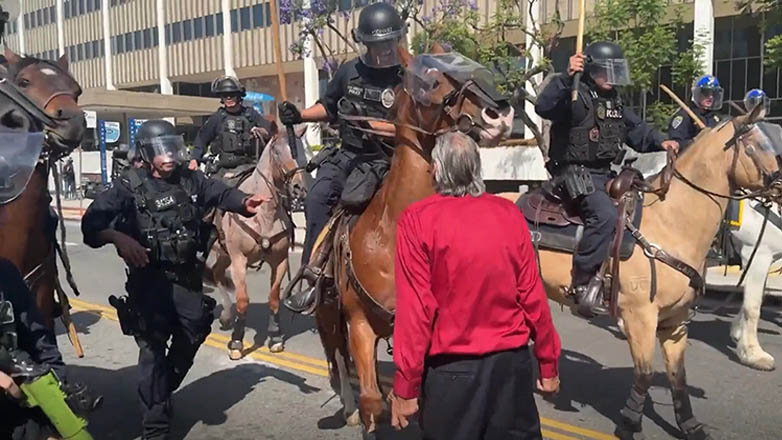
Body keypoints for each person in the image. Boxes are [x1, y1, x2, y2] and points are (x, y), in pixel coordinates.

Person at [80, 119, 269, 440]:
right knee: (152, 351)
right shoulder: (128, 186)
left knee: (194, 331)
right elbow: (91, 226)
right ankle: (155, 427)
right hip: (149, 282)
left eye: (171, 148)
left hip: (186, 278)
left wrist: (243, 203)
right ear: (145, 154)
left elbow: (220, 192)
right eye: (160, 150)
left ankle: (158, 391)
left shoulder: (190, 179)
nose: (168, 156)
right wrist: (117, 237)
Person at [388, 132, 561, 440]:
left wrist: (406, 385)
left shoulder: (417, 220)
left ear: (437, 170)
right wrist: (548, 362)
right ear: (476, 168)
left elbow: (416, 311)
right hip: (511, 367)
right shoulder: (508, 213)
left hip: (453, 372)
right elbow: (533, 295)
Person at [535, 41, 679, 318]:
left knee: (638, 207)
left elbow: (638, 130)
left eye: (615, 71)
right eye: (605, 71)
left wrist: (662, 141)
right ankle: (582, 281)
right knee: (604, 215)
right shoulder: (574, 93)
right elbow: (544, 106)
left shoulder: (615, 102)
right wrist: (566, 77)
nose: (611, 77)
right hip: (573, 172)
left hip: (604, 173)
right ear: (591, 69)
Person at [280, 1, 403, 313]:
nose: (385, 50)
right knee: (317, 197)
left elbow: (416, 125)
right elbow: (329, 106)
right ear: (365, 44)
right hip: (350, 156)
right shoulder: (349, 70)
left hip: (392, 160)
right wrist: (300, 114)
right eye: (378, 45)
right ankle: (314, 275)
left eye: (390, 43)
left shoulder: (408, 76)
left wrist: (375, 126)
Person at [189, 76, 273, 183]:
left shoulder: (251, 114)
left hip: (251, 166)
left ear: (238, 96)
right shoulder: (217, 118)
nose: (228, 98)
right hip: (224, 169)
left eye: (232, 95)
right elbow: (201, 139)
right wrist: (194, 159)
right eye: (225, 96)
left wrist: (262, 132)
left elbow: (271, 132)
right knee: (214, 189)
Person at [668, 74, 724, 148]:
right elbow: (675, 143)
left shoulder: (717, 119)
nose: (710, 97)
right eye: (706, 92)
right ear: (698, 94)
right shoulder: (685, 116)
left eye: (713, 93)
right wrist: (695, 142)